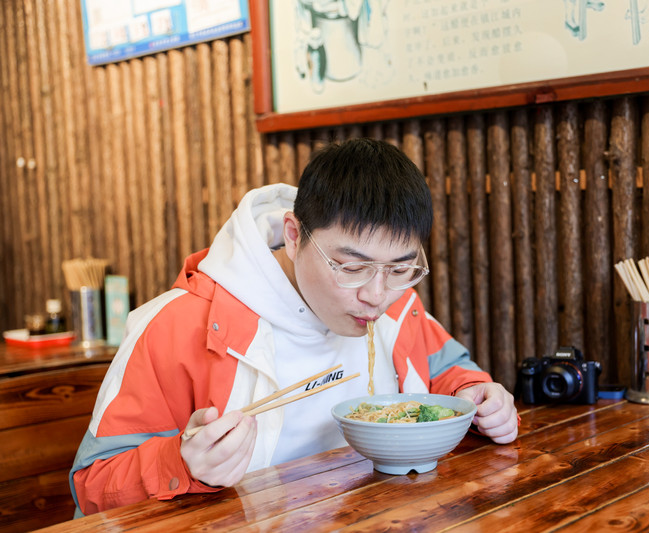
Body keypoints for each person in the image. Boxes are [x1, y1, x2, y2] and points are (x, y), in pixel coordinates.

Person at [69, 138, 518, 516]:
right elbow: (91, 485)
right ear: (293, 235)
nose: (376, 295)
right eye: (350, 267)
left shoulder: (396, 308)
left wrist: (478, 396)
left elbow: (451, 373)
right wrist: (184, 464)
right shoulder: (177, 324)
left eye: (401, 269)